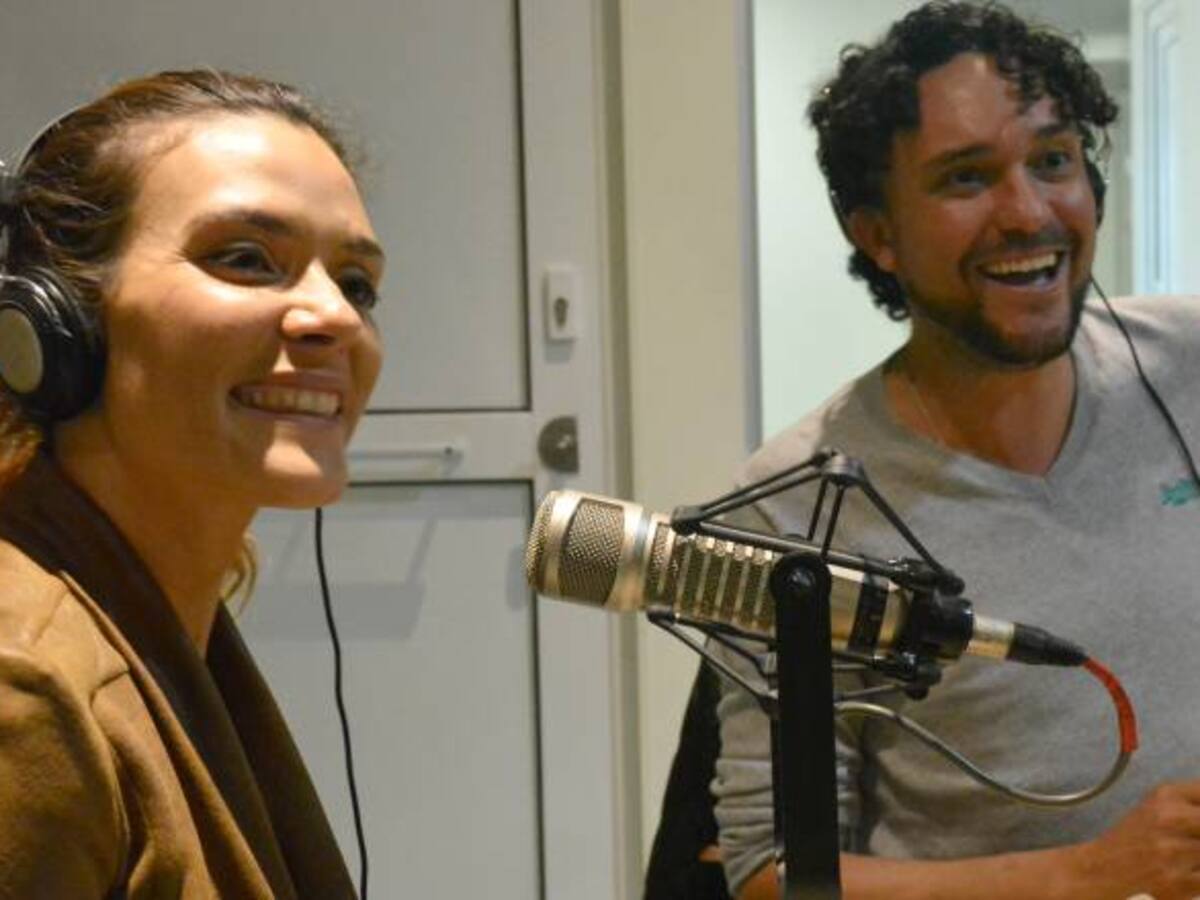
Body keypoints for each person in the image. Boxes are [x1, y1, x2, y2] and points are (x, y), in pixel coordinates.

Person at [710, 3, 1200, 899]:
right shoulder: (797, 503)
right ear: (878, 234)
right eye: (967, 179)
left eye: (1053, 162)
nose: (1027, 213)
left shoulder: (1189, 366)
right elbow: (772, 870)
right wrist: (1088, 877)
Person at [0, 70, 383, 897]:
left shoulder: (163, 618)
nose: (336, 317)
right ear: (59, 323)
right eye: (246, 260)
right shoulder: (27, 691)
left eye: (356, 283)